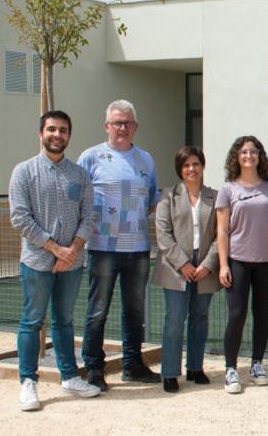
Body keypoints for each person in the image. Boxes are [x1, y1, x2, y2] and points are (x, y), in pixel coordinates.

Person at [9, 110, 101, 411]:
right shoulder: (23, 172)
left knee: (64, 321)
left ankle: (70, 376)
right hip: (37, 261)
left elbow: (89, 217)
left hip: (72, 263)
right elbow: (20, 219)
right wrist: (54, 249)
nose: (57, 135)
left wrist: (71, 250)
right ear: (41, 133)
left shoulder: (80, 175)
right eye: (51, 129)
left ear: (69, 136)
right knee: (32, 321)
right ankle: (28, 382)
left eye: (62, 130)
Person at [79, 99, 160, 390]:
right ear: (107, 126)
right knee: (97, 310)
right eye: (117, 122)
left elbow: (152, 201)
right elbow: (78, 199)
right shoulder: (91, 158)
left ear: (135, 126)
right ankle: (94, 369)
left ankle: (132, 364)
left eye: (127, 123)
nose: (122, 128)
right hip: (102, 248)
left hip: (138, 248)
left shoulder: (146, 160)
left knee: (135, 311)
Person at [215, 136, 268, 394]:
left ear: (260, 156)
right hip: (237, 262)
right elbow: (222, 230)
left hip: (267, 261)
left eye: (253, 151)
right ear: (237, 156)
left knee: (262, 314)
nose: (249, 156)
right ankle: (230, 368)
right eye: (244, 152)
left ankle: (257, 363)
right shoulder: (228, 189)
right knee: (237, 315)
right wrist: (223, 265)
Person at [153, 146, 220, 393]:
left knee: (200, 318)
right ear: (180, 169)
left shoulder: (215, 196)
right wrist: (183, 263)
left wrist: (207, 264)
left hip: (205, 266)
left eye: (196, 164)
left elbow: (220, 235)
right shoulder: (168, 196)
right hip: (175, 265)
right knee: (175, 319)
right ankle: (170, 372)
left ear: (203, 166)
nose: (191, 169)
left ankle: (195, 367)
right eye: (186, 165)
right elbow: (163, 235)